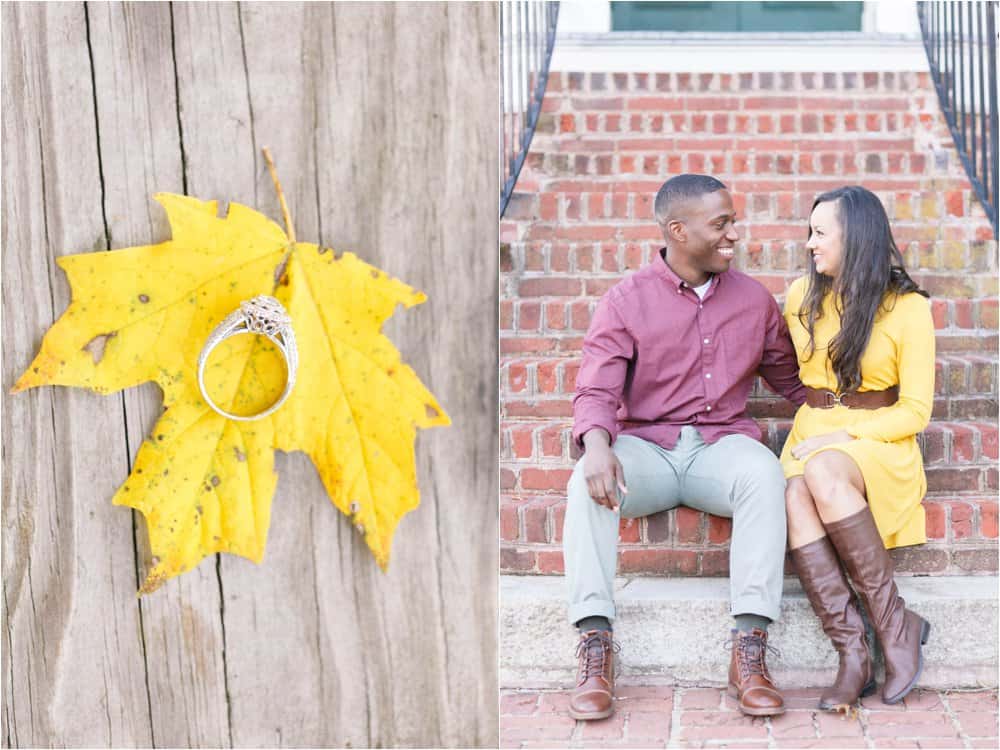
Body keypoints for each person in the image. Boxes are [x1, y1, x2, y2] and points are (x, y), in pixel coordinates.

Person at [564, 173, 807, 720]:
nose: (733, 236)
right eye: (721, 225)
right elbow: (596, 389)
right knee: (585, 480)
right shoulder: (626, 301)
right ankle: (595, 645)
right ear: (678, 230)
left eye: (733, 223)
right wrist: (597, 445)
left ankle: (748, 649)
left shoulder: (752, 299)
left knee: (763, 473)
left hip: (720, 448)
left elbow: (790, 381)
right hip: (646, 449)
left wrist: (849, 405)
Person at [781, 185, 934, 712]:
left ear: (857, 238)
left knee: (820, 471)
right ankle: (852, 652)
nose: (810, 244)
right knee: (796, 491)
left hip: (878, 439)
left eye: (821, 233)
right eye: (810, 232)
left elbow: (915, 411)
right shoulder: (802, 296)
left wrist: (846, 435)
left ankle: (894, 627)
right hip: (813, 430)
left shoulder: (908, 309)